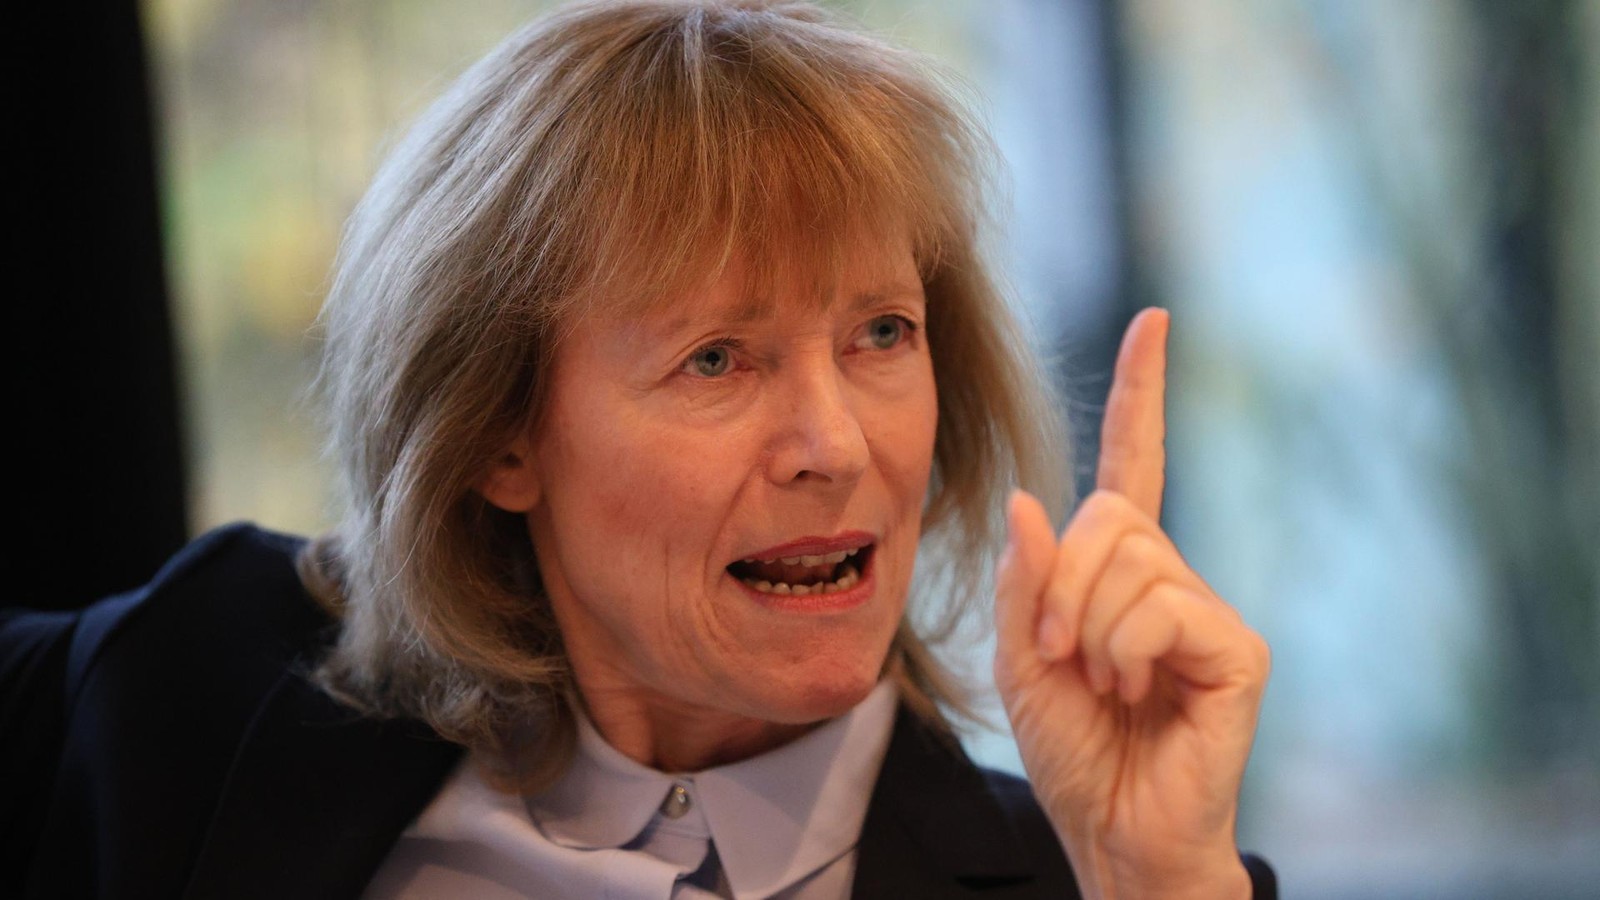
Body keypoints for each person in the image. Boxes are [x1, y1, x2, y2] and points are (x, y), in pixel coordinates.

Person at [0, 0, 1275, 897]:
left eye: (881, 332)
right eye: (716, 358)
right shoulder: (189, 689)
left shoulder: (1111, 877)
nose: (834, 445)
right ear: (498, 437)